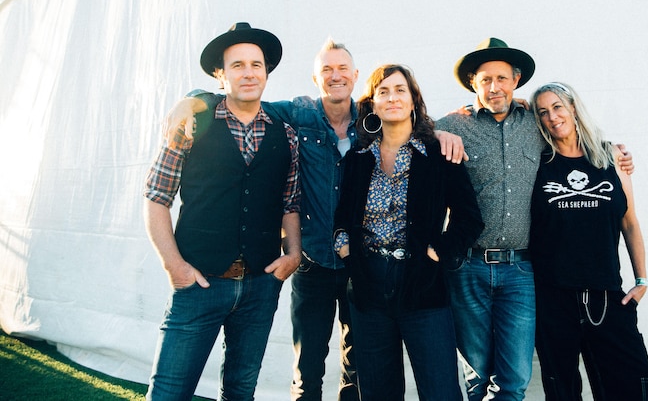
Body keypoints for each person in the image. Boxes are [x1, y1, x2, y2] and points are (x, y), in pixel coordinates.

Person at [163, 39, 467, 401]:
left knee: (360, 369)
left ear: (355, 77)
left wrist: (441, 131)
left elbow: (414, 131)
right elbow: (244, 101)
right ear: (314, 77)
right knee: (308, 368)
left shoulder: (371, 126)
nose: (335, 76)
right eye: (326, 69)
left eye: (342, 69)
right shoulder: (296, 114)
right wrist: (197, 97)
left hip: (362, 271)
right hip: (314, 263)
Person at [435, 38, 634, 400]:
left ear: (516, 80)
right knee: (478, 378)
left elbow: (572, 136)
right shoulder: (453, 126)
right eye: (485, 80)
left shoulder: (535, 122)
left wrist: (614, 150)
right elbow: (409, 138)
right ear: (472, 83)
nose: (494, 87)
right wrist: (434, 132)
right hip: (469, 268)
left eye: (502, 78)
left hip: (522, 272)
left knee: (514, 380)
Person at [142, 22, 302, 400]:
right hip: (199, 282)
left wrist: (293, 254)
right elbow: (156, 197)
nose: (249, 73)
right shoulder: (191, 122)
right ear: (221, 74)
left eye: (256, 65)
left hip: (260, 286)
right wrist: (174, 266)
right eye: (238, 65)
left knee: (240, 392)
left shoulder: (286, 132)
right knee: (168, 392)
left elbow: (290, 203)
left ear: (266, 72)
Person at [333, 64, 484, 400]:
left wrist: (438, 253)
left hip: (423, 283)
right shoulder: (359, 159)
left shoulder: (439, 155)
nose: (392, 98)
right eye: (383, 92)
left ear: (414, 99)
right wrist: (346, 249)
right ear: (372, 104)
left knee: (440, 389)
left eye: (400, 90)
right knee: (377, 392)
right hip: (368, 285)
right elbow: (342, 216)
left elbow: (469, 218)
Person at [529, 82, 648, 400]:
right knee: (563, 390)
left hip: (606, 294)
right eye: (542, 112)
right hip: (553, 298)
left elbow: (630, 222)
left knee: (630, 382)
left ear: (573, 107)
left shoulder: (610, 156)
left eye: (557, 107)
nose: (552, 116)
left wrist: (641, 280)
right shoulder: (536, 163)